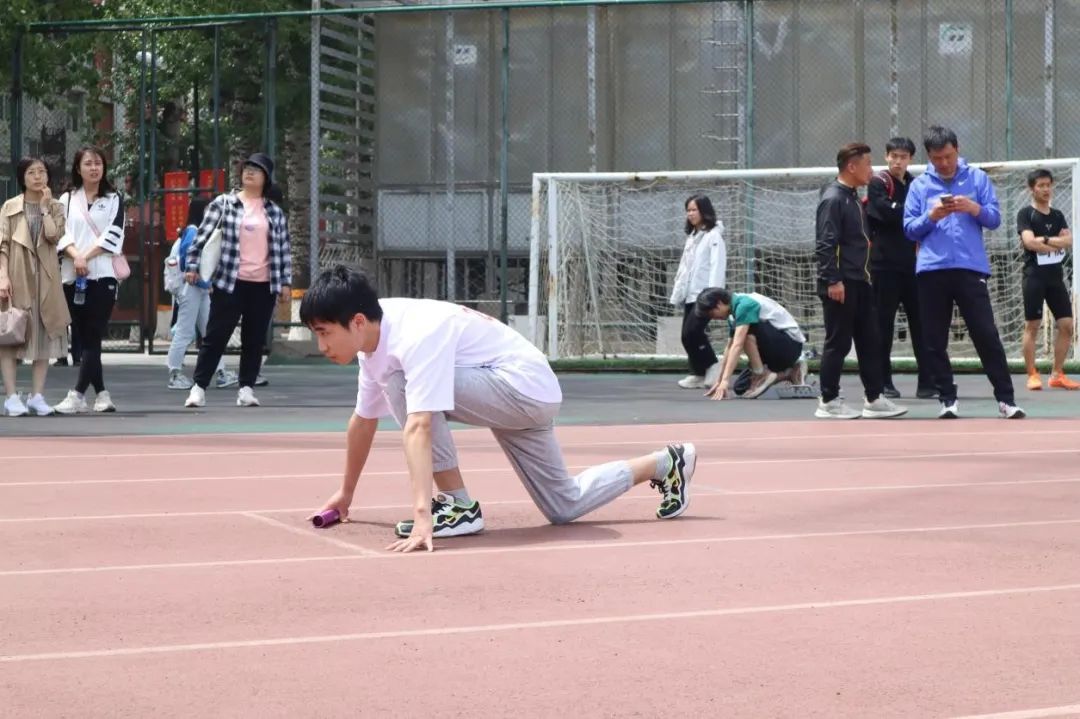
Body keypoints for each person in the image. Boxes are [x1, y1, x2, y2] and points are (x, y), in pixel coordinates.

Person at [303, 265, 698, 553]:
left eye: (324, 333)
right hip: (519, 393)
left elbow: (419, 424)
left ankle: (457, 505)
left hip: (521, 389)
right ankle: (664, 463)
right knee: (564, 505)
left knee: (401, 384)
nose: (321, 346)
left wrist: (423, 516)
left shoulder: (414, 333)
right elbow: (363, 421)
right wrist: (346, 493)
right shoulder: (372, 345)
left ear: (357, 322)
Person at [903, 125, 1025, 419]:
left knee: (986, 334)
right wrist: (931, 216)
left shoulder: (977, 178)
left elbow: (995, 219)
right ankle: (947, 399)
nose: (943, 163)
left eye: (947, 156)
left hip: (971, 267)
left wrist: (973, 208)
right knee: (934, 339)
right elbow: (908, 229)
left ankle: (1006, 400)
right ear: (929, 157)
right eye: (937, 158)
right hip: (932, 269)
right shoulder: (919, 186)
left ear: (957, 149)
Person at [181, 153, 291, 408]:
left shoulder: (275, 212)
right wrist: (192, 266)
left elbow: (284, 249)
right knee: (215, 336)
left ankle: (246, 388)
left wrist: (285, 282)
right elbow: (201, 237)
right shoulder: (223, 204)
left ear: (266, 178)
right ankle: (198, 388)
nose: (250, 172)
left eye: (257, 169)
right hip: (230, 282)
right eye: (247, 168)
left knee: (254, 339)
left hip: (264, 285)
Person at [814, 142, 907, 420]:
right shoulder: (833, 198)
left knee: (870, 339)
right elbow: (825, 244)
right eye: (867, 164)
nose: (872, 169)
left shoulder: (852, 196)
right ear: (852, 167)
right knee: (838, 342)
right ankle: (828, 400)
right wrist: (833, 280)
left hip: (861, 280)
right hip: (841, 283)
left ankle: (874, 398)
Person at [53, 146, 125, 414]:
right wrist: (76, 257)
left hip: (103, 275)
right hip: (72, 276)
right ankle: (102, 394)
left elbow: (114, 233)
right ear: (78, 168)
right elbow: (60, 232)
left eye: (98, 163)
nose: (94, 168)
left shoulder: (114, 198)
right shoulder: (66, 199)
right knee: (83, 337)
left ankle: (77, 394)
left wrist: (86, 256)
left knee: (93, 334)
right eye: (88, 163)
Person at [0, 157, 70, 416]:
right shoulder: (10, 207)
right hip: (17, 278)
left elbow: (54, 236)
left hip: (47, 279)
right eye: (32, 172)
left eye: (42, 172)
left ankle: (37, 396)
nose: (38, 176)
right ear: (22, 177)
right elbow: (3, 244)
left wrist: (44, 208)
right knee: (11, 336)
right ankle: (11, 397)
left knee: (45, 335)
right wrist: (2, 276)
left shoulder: (56, 207)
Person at [866, 137, 934, 399]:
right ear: (886, 156)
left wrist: (918, 215)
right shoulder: (878, 182)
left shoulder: (916, 183)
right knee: (883, 325)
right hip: (884, 266)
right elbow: (884, 211)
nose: (897, 161)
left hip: (914, 265)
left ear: (910, 159)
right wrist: (915, 214)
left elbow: (923, 215)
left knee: (922, 324)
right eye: (893, 156)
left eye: (903, 157)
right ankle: (883, 382)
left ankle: (927, 382)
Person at [163, 198, 237, 390]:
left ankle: (220, 372)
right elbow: (188, 259)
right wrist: (205, 282)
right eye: (207, 209)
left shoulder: (194, 231)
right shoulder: (193, 231)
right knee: (185, 331)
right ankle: (174, 373)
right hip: (192, 287)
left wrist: (205, 283)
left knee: (210, 331)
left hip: (198, 287)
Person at [1017, 168, 1078, 391]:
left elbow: (1069, 241)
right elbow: (1029, 242)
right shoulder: (1026, 214)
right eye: (1040, 185)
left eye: (1048, 185)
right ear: (1031, 189)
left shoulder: (1058, 215)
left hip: (1055, 278)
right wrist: (1052, 242)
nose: (1045, 189)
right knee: (1032, 325)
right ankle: (1032, 374)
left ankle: (1057, 374)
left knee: (1067, 325)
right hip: (1034, 277)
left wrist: (1043, 240)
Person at [694, 287, 807, 400]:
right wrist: (719, 380)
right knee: (740, 388)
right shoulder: (733, 314)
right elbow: (729, 347)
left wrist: (725, 380)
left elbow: (737, 345)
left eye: (711, 313)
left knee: (745, 331)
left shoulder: (745, 305)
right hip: (773, 352)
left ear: (719, 304)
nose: (713, 318)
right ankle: (789, 372)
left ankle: (761, 374)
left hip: (790, 347)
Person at [669, 194, 726, 389]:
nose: (690, 214)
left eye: (694, 210)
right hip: (690, 294)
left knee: (692, 332)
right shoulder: (692, 238)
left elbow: (717, 265)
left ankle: (713, 365)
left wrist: (713, 294)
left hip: (704, 295)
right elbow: (685, 268)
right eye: (688, 210)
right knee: (686, 336)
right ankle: (698, 373)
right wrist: (679, 290)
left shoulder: (713, 236)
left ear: (704, 211)